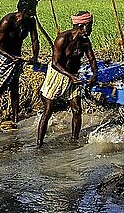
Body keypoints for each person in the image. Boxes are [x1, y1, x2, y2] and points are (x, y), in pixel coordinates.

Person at [37, 11, 97, 148]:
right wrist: (71, 76)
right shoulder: (62, 39)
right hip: (57, 76)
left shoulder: (85, 42)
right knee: (48, 110)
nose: (92, 29)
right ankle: (39, 144)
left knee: (77, 110)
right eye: (90, 26)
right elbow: (55, 63)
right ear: (82, 26)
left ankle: (74, 141)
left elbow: (92, 59)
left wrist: (94, 74)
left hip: (72, 77)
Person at [0, 0, 39, 129]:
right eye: (33, 9)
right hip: (2, 55)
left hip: (16, 56)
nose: (35, 12)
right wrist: (9, 56)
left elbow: (34, 40)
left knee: (14, 87)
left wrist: (35, 57)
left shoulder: (30, 22)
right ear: (25, 10)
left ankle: (15, 119)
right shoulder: (7, 21)